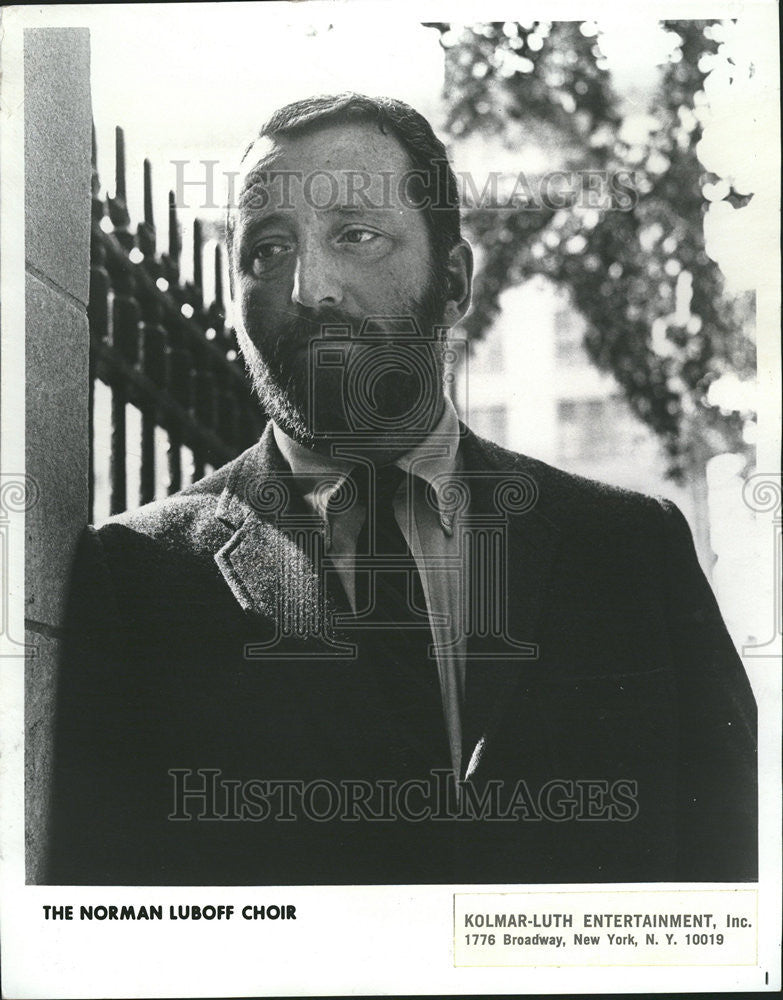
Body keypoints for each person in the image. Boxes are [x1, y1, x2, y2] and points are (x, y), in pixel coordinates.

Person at [46, 93, 757, 886]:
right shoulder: (137, 578)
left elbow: (736, 883)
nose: (309, 286)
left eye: (356, 235)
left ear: (452, 283)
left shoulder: (627, 548)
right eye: (265, 252)